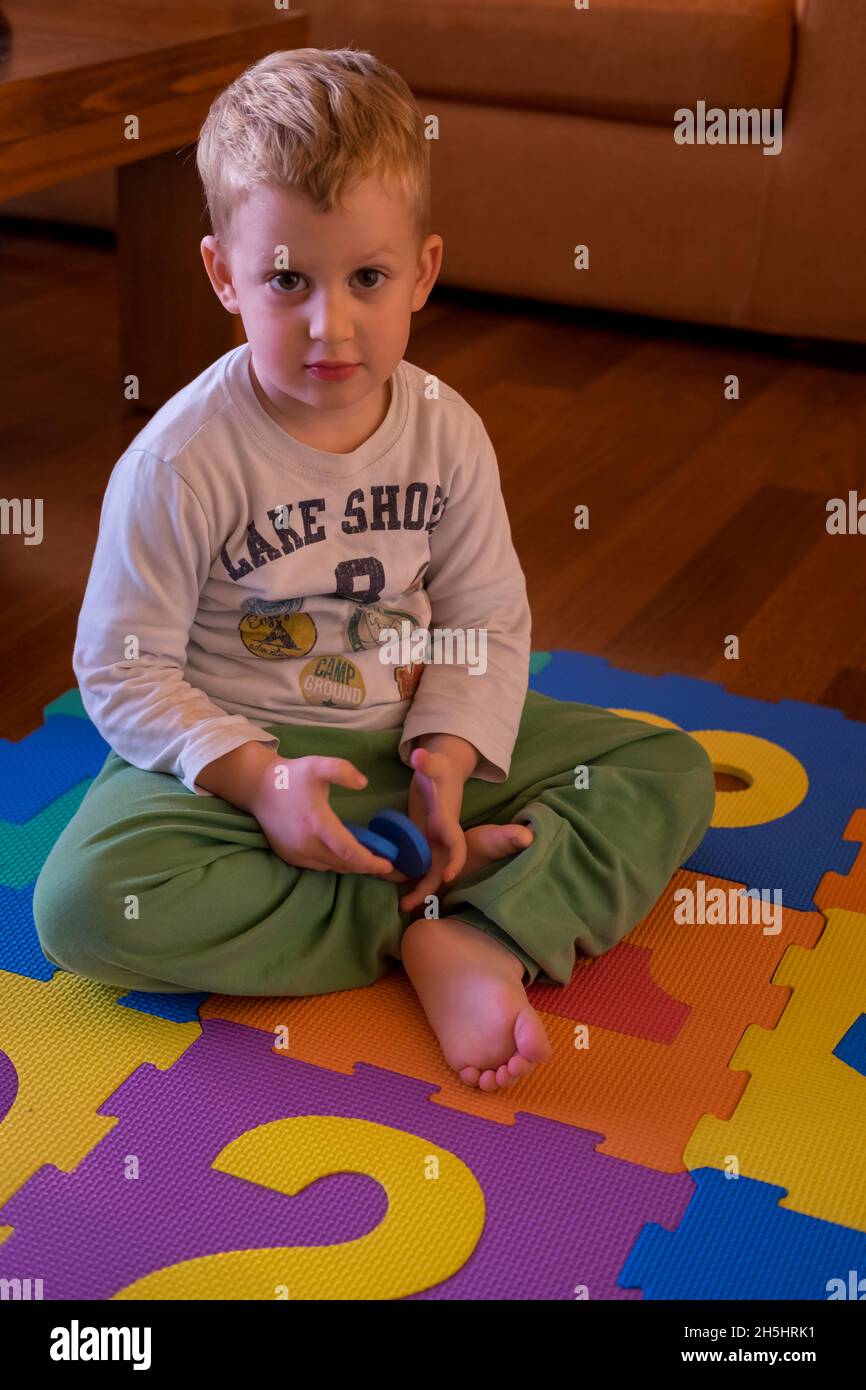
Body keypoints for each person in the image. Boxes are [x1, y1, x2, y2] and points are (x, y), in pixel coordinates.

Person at [33, 47, 716, 1093]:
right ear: (223, 274)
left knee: (666, 769)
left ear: (423, 271)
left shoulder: (447, 432)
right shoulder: (179, 459)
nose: (330, 325)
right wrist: (258, 780)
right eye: (286, 281)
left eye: (366, 278)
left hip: (406, 740)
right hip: (243, 765)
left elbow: (481, 616)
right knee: (83, 904)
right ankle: (420, 915)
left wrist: (443, 762)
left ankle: (449, 895)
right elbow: (123, 668)